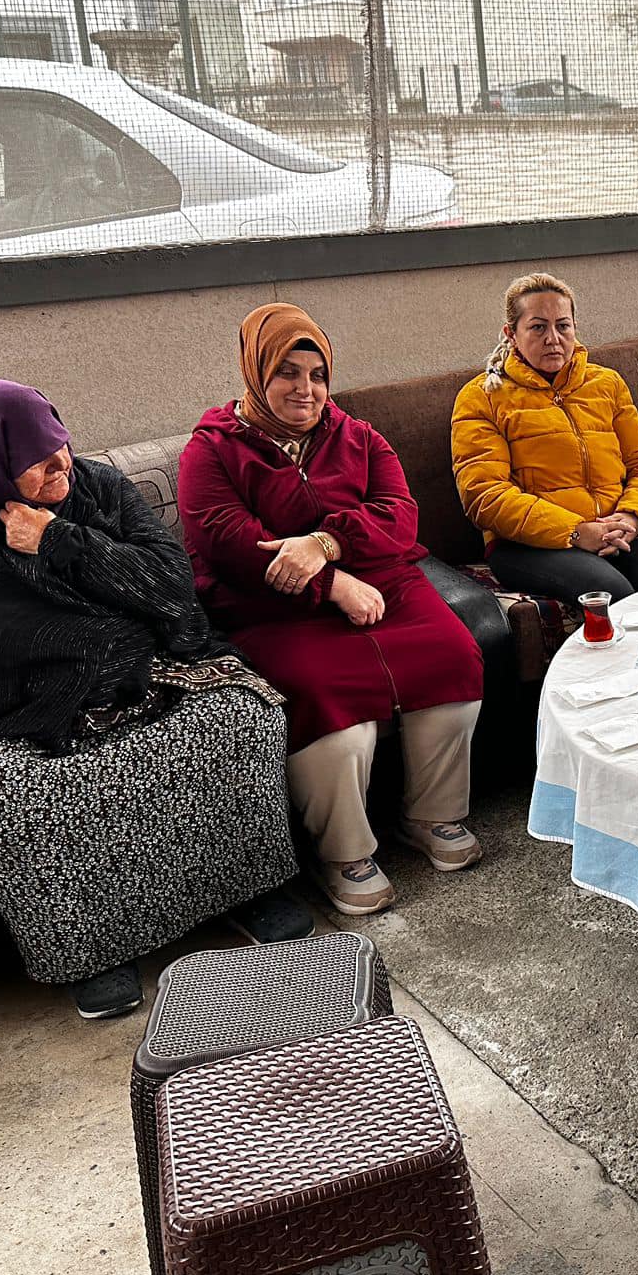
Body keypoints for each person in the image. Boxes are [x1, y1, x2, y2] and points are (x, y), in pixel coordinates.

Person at [0, 380, 309, 1021]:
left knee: (237, 716)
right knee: (5, 791)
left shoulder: (98, 487)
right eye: (37, 458)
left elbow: (172, 584)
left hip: (139, 672)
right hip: (8, 710)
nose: (61, 464)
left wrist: (63, 542)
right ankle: (92, 950)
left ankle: (245, 889)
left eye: (60, 444)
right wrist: (104, 632)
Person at [179, 304, 488, 917]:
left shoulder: (359, 436)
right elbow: (229, 543)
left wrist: (327, 544)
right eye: (288, 373)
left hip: (385, 585)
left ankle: (431, 816)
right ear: (255, 373)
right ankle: (342, 851)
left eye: (318, 374)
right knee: (326, 700)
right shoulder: (211, 450)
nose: (307, 389)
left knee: (452, 656)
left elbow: (400, 514)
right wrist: (332, 586)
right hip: (271, 607)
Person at [453, 273, 638, 601]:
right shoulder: (482, 396)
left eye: (563, 326)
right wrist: (575, 531)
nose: (553, 339)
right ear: (511, 334)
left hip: (619, 522)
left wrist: (632, 515)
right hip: (530, 543)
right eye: (538, 327)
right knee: (610, 595)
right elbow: (484, 496)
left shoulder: (606, 383)